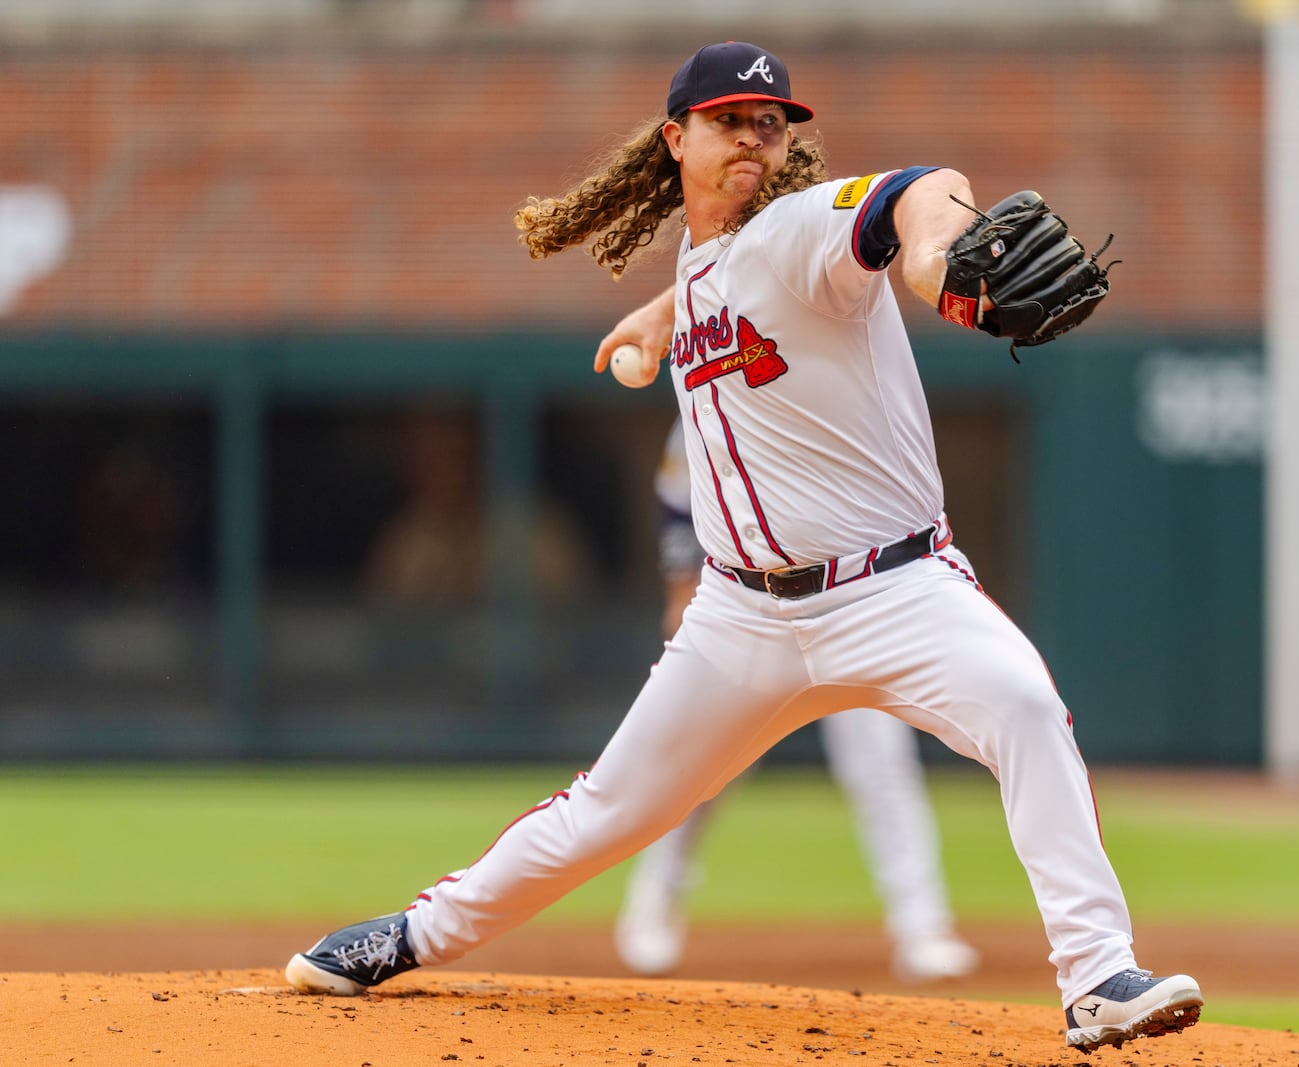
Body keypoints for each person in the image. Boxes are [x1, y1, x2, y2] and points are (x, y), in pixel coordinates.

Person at [285, 40, 1203, 1052]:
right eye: (730, 122)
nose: (754, 139)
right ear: (678, 140)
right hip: (742, 617)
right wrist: (656, 313)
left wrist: (941, 261)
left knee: (1025, 706)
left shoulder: (807, 230)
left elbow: (915, 194)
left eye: (769, 123)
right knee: (608, 809)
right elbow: (719, 281)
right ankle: (409, 934)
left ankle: (1096, 973)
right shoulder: (710, 258)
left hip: (891, 590)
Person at [613, 415, 980, 983]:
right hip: (752, 615)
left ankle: (922, 927)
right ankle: (651, 906)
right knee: (702, 772)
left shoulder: (829, 390)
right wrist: (681, 586)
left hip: (850, 609)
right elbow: (677, 493)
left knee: (882, 766)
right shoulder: (717, 387)